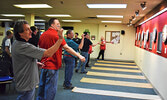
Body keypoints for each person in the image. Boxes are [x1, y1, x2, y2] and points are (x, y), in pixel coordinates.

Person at [12, 20, 64, 100]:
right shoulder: (24, 46)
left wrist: (35, 63)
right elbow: (48, 53)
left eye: (30, 29)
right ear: (20, 33)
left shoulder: (16, 43)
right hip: (26, 83)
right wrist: (60, 39)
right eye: (27, 30)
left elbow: (23, 60)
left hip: (25, 81)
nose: (30, 31)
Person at [37, 18, 85, 100]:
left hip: (43, 65)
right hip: (52, 66)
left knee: (42, 88)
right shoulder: (57, 35)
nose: (59, 25)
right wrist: (79, 56)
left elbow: (39, 48)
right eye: (57, 24)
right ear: (52, 25)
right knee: (50, 90)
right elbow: (67, 48)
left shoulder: (43, 35)